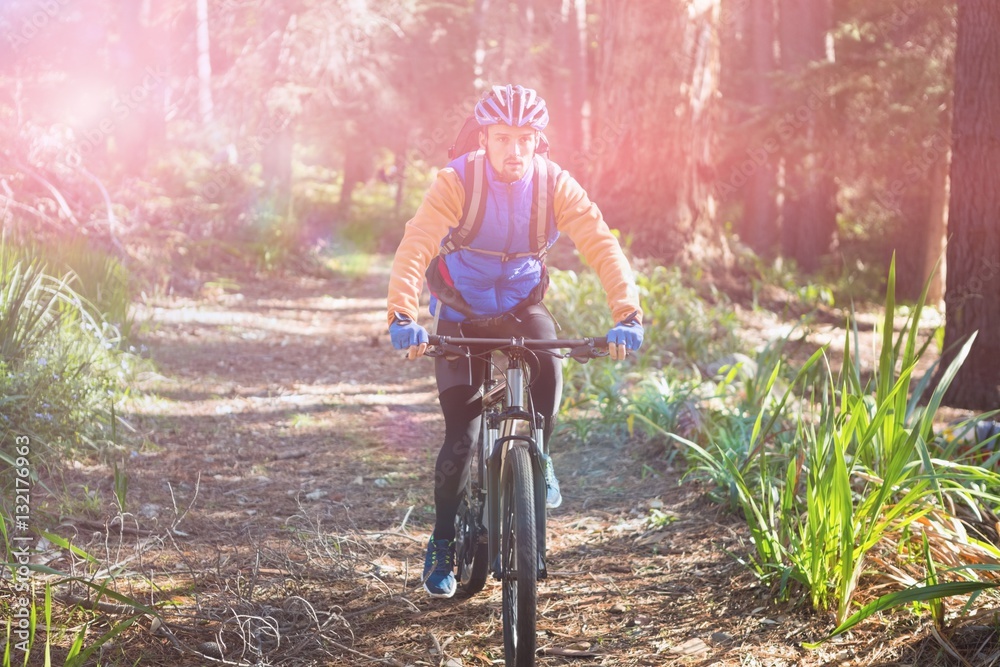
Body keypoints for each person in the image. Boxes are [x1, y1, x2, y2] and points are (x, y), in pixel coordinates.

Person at [386, 84, 644, 598]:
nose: (514, 149)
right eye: (502, 137)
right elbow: (417, 242)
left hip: (520, 306)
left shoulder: (554, 184)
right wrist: (402, 314)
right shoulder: (457, 180)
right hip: (460, 309)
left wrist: (628, 314)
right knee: (462, 432)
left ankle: (539, 457)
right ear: (484, 139)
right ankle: (440, 542)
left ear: (538, 141)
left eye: (524, 138)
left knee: (547, 358)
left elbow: (600, 242)